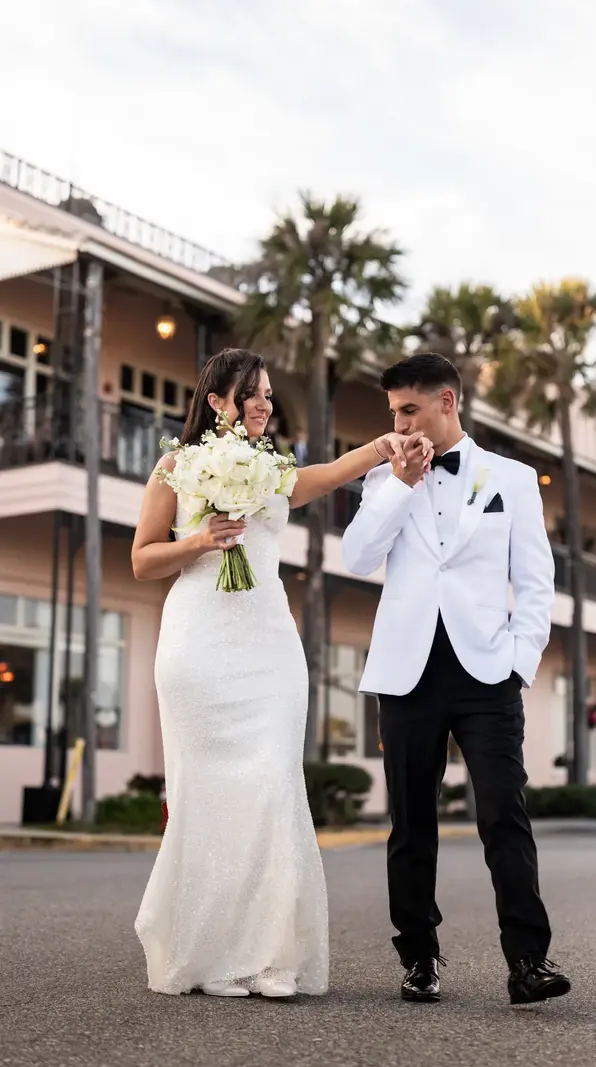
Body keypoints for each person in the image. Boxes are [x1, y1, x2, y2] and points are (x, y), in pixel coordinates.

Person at [132, 348, 432, 999]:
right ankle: (209, 957)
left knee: (270, 784)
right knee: (205, 797)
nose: (264, 403)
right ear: (216, 400)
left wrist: (381, 447)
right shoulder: (176, 466)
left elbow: (323, 476)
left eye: (268, 393)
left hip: (268, 648)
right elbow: (142, 560)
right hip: (198, 644)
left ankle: (268, 957)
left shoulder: (270, 466)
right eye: (251, 393)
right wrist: (199, 540)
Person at [341, 353, 571, 1009]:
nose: (398, 423)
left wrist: (518, 660)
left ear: (447, 401)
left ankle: (528, 960)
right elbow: (355, 558)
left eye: (408, 409)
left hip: (487, 672)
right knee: (412, 823)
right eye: (392, 412)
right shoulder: (388, 480)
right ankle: (419, 958)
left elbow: (535, 583)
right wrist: (400, 485)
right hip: (406, 673)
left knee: (504, 813)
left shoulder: (514, 479)